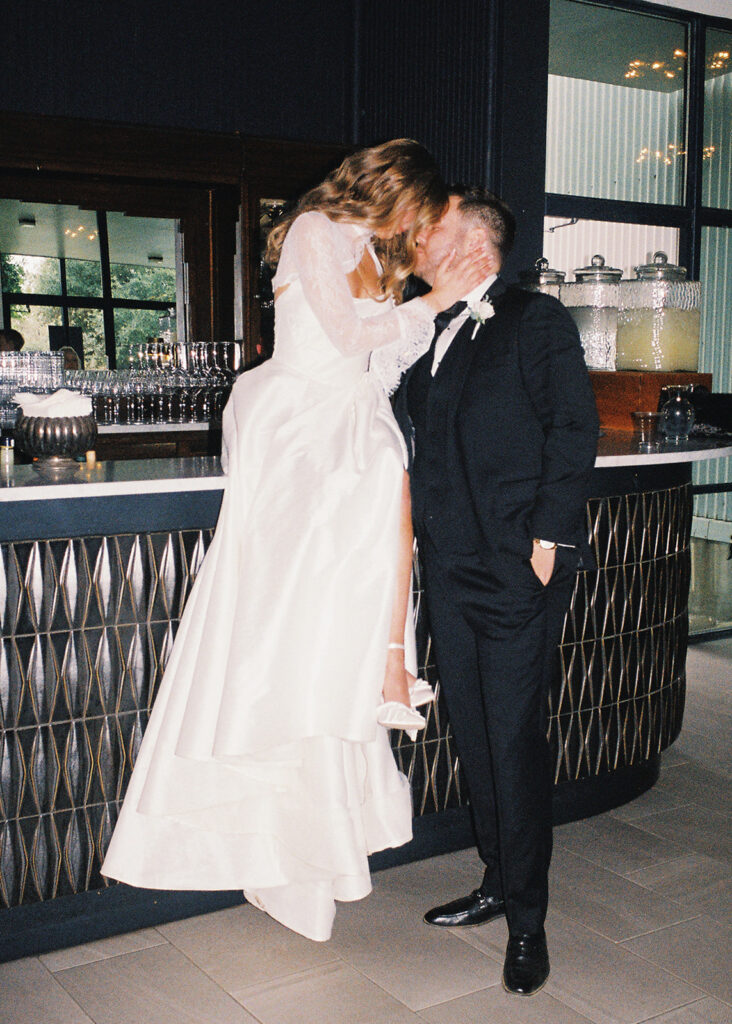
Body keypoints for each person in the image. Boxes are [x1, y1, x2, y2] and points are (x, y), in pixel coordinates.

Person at [102, 140, 491, 941]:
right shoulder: (315, 228)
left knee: (328, 643)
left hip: (350, 443)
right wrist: (429, 300)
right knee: (280, 633)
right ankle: (269, 845)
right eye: (417, 214)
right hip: (303, 445)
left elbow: (377, 371)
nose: (418, 232)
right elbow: (346, 340)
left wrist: (423, 306)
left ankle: (309, 850)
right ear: (391, 192)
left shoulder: (376, 259)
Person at [394, 187, 598, 995]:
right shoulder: (430, 325)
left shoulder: (533, 318)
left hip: (515, 568)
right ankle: (493, 879)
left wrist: (547, 544)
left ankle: (528, 922)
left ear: (477, 246)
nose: (417, 242)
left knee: (513, 741)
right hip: (447, 568)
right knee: (476, 735)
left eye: (431, 233)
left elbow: (572, 428)